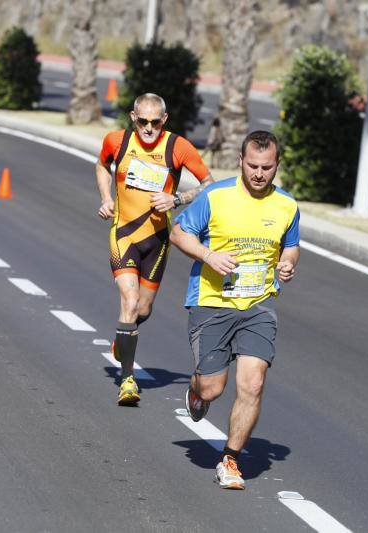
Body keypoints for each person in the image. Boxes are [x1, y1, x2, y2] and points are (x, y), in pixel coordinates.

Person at [169, 130, 300, 490]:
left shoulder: (287, 206)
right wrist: (208, 255)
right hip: (212, 302)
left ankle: (230, 460)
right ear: (241, 161)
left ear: (277, 165)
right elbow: (178, 233)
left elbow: (291, 245)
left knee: (253, 383)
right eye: (253, 165)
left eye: (267, 167)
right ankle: (197, 389)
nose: (259, 173)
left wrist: (288, 263)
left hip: (258, 303)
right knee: (212, 389)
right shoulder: (216, 196)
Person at [96, 93, 214, 405]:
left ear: (165, 120)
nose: (149, 128)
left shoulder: (177, 147)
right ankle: (127, 380)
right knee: (130, 300)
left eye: (155, 122)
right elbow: (102, 164)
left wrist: (177, 199)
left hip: (158, 239)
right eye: (143, 122)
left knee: (142, 309)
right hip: (123, 235)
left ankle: (124, 334)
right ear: (133, 117)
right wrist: (106, 198)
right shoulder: (117, 141)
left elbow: (209, 183)